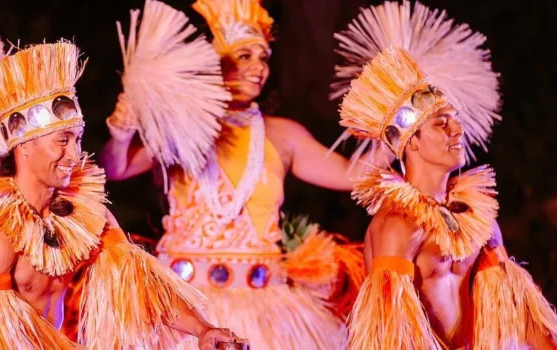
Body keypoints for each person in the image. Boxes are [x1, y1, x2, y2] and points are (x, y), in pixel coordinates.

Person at [0, 34, 246, 349]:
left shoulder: (83, 210)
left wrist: (202, 329)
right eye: (63, 141)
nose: (75, 155)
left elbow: (140, 286)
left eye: (78, 140)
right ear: (24, 146)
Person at [100, 0, 372, 348]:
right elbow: (115, 168)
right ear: (215, 63)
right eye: (244, 56)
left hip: (265, 307)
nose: (258, 67)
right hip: (187, 306)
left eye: (263, 58)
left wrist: (388, 130)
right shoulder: (181, 126)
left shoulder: (282, 135)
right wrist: (122, 136)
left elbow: (355, 176)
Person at [334, 2, 557, 348]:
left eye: (455, 119)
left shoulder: (476, 217)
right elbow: (392, 335)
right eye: (441, 123)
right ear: (413, 144)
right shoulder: (396, 225)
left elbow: (517, 308)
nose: (457, 130)